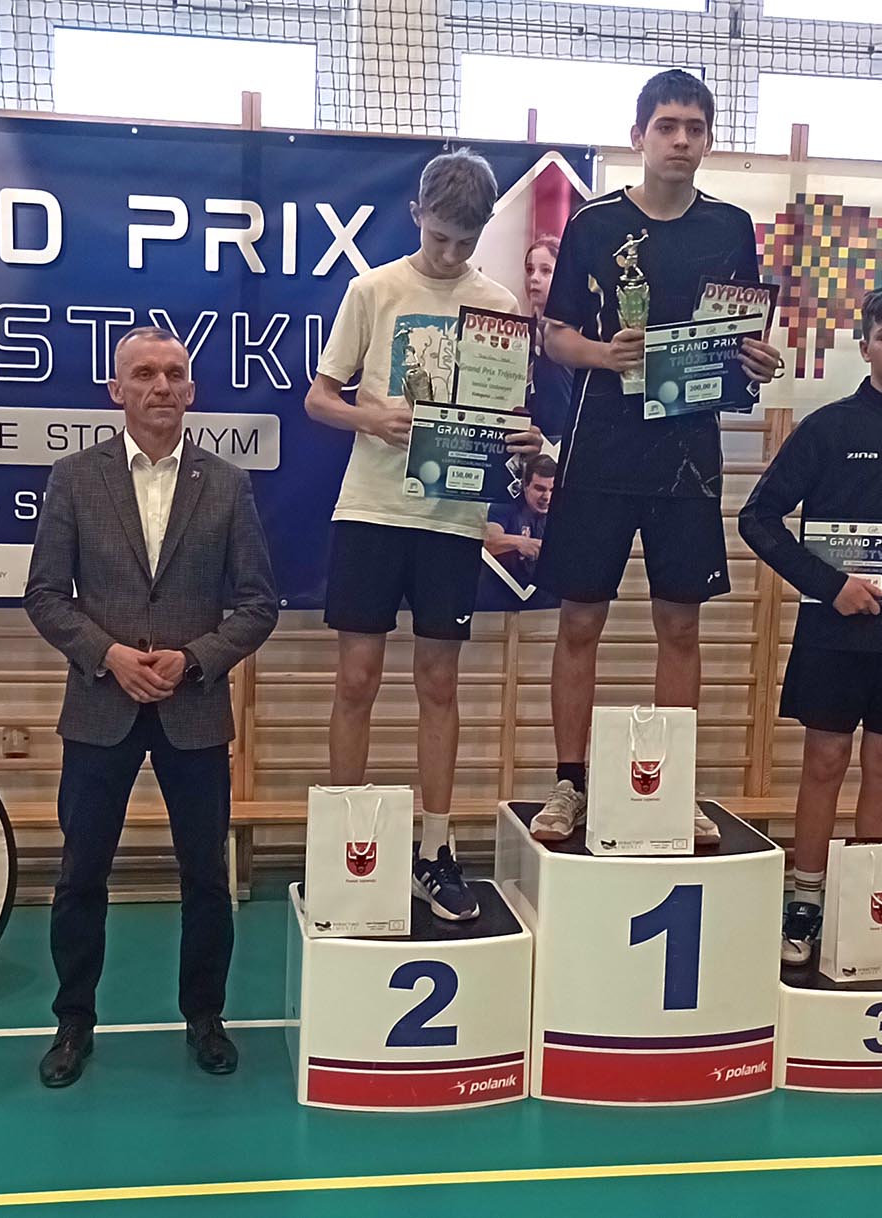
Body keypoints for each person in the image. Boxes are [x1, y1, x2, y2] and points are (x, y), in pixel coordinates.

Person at [529, 69, 784, 842]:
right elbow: (555, 335)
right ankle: (569, 784)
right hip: (601, 446)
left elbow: (736, 338)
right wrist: (603, 355)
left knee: (680, 625)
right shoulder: (595, 224)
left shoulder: (730, 228)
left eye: (694, 128)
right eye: (667, 126)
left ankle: (671, 786)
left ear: (708, 139)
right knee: (581, 620)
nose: (680, 140)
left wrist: (754, 361)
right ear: (638, 135)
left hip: (687, 452)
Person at [24, 327, 278, 1086]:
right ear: (117, 390)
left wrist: (193, 658)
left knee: (207, 876)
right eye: (143, 374)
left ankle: (205, 1017)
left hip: (192, 707)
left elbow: (258, 604)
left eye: (173, 374)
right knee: (81, 875)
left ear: (191, 391)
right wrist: (108, 655)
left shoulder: (227, 485)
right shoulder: (74, 478)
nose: (160, 386)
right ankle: (73, 1022)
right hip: (100, 704)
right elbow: (45, 595)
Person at [306, 150, 542, 921]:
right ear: (416, 216)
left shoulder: (498, 303)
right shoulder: (373, 290)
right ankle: (346, 844)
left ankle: (435, 850)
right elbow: (318, 398)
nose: (448, 253)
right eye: (439, 236)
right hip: (372, 509)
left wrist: (523, 439)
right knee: (356, 679)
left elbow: (508, 416)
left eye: (464, 241)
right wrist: (368, 417)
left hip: (451, 519)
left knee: (439, 685)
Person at [738, 285, 882, 962]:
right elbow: (757, 518)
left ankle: (869, 907)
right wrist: (829, 585)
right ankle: (805, 903)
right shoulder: (828, 427)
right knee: (825, 761)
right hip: (834, 630)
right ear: (864, 346)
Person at [522, 236, 573, 439]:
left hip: (564, 436)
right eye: (529, 270)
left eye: (546, 271)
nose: (534, 278)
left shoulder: (579, 334)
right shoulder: (519, 329)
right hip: (529, 437)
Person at [485, 454, 555, 587]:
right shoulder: (506, 504)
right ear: (525, 485)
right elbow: (488, 540)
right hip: (503, 588)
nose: (547, 497)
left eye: (552, 490)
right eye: (540, 488)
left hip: (541, 591)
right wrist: (520, 543)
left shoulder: (560, 510)